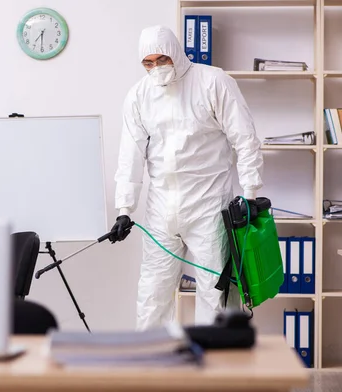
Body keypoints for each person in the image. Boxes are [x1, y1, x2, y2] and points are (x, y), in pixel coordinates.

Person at [110, 25, 264, 330]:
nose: (156, 68)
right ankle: (151, 364)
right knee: (152, 291)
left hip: (208, 205)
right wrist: (124, 210)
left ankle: (215, 371)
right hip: (161, 208)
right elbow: (130, 154)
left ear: (177, 53)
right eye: (148, 63)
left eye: (162, 59)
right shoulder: (139, 96)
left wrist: (250, 193)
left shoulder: (213, 82)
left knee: (215, 291)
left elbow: (245, 139)